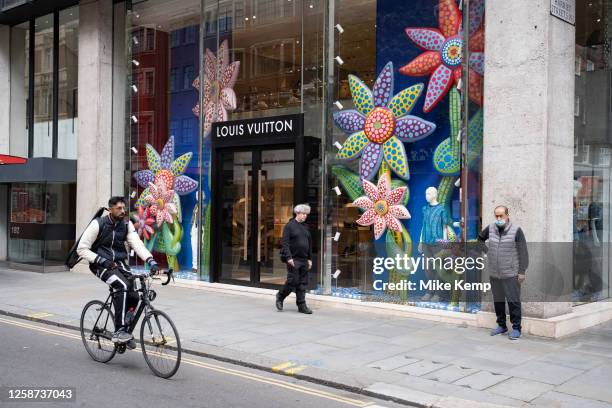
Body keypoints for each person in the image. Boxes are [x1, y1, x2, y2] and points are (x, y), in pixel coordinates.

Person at [77, 196, 160, 346]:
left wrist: (151, 260)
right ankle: (119, 330)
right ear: (110, 209)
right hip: (100, 264)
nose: (123, 211)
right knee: (122, 286)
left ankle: (126, 331)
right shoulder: (98, 224)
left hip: (119, 264)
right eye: (119, 208)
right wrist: (101, 260)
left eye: (124, 208)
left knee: (134, 295)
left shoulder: (126, 225)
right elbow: (81, 249)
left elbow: (137, 244)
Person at [478, 205, 529, 340]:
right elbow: (479, 240)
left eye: (501, 215)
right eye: (497, 216)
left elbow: (523, 252)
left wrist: (522, 271)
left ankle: (517, 328)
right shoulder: (490, 228)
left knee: (513, 301)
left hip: (511, 273)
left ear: (507, 215)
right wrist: (488, 251)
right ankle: (502, 325)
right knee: (498, 301)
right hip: (495, 273)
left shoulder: (516, 230)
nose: (499, 218)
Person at [276, 204, 313, 314]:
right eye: (303, 214)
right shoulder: (289, 226)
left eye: (306, 214)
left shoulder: (306, 227)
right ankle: (280, 296)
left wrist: (310, 259)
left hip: (304, 259)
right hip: (294, 259)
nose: (305, 216)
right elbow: (285, 243)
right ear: (297, 213)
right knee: (293, 281)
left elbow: (310, 244)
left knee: (303, 283)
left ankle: (302, 305)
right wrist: (289, 258)